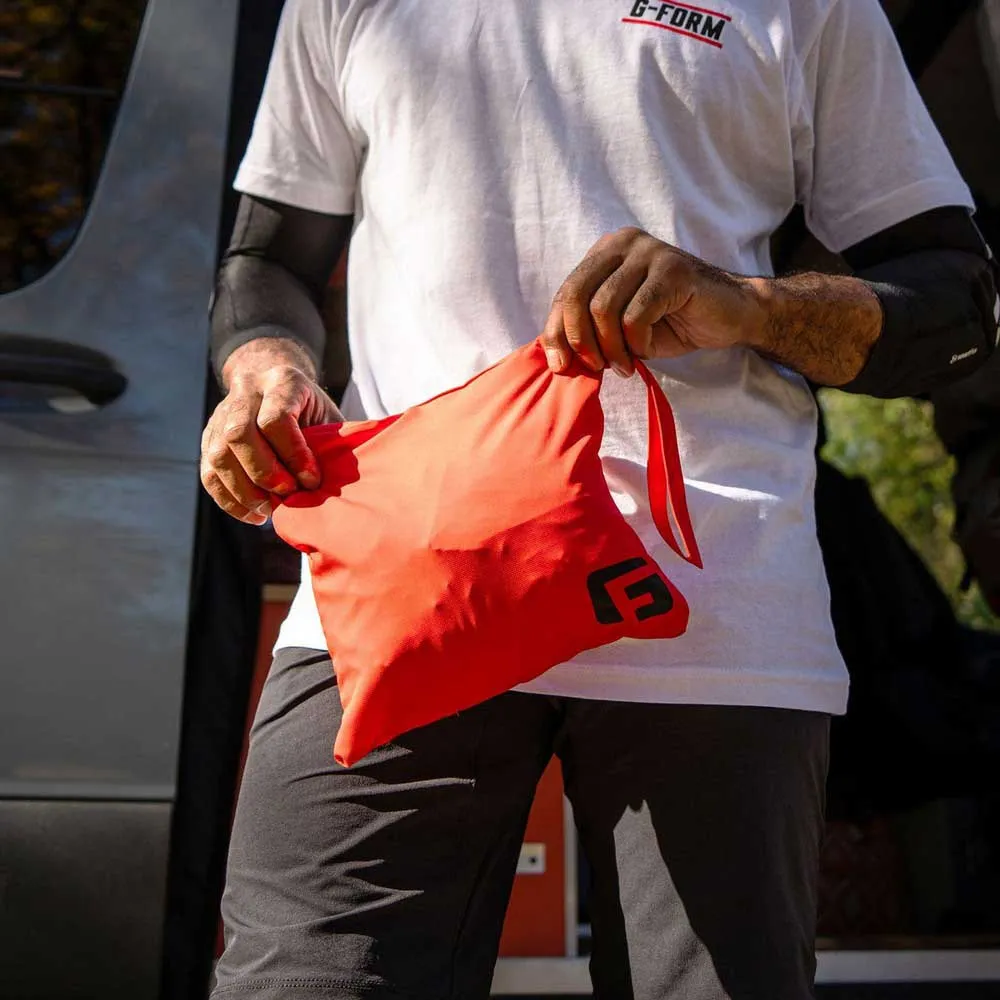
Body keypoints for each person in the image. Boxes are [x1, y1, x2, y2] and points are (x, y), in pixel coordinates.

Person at [201, 1, 999, 997]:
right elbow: (268, 260)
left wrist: (746, 306)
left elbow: (956, 305)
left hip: (712, 597)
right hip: (399, 582)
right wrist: (267, 373)